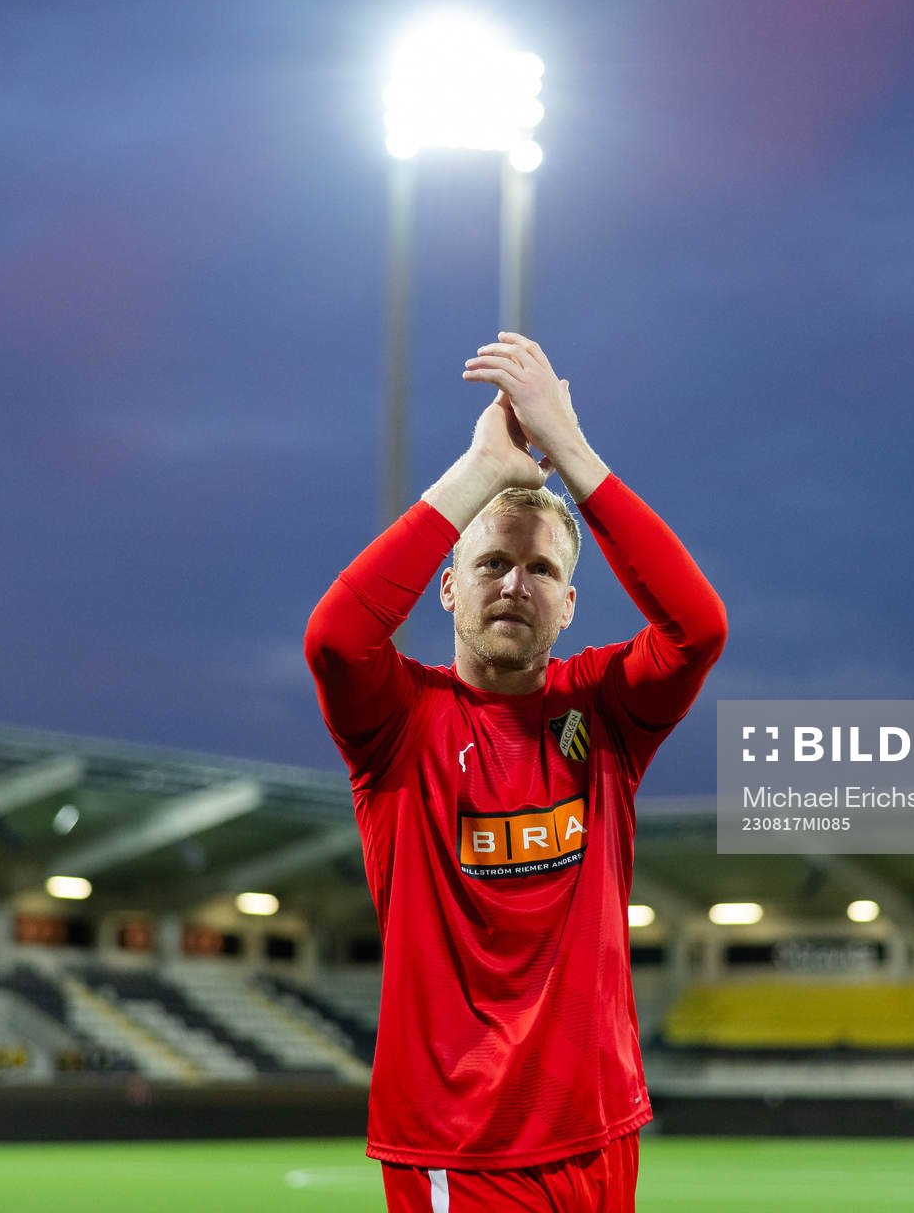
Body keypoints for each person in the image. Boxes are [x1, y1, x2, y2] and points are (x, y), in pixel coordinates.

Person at [304, 332, 727, 1212]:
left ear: (570, 605)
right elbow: (336, 640)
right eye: (491, 561)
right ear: (448, 588)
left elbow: (699, 628)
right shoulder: (400, 722)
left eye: (541, 570)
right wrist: (480, 471)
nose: (514, 584)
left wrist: (568, 449)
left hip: (600, 1129)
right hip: (465, 1149)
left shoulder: (605, 713)